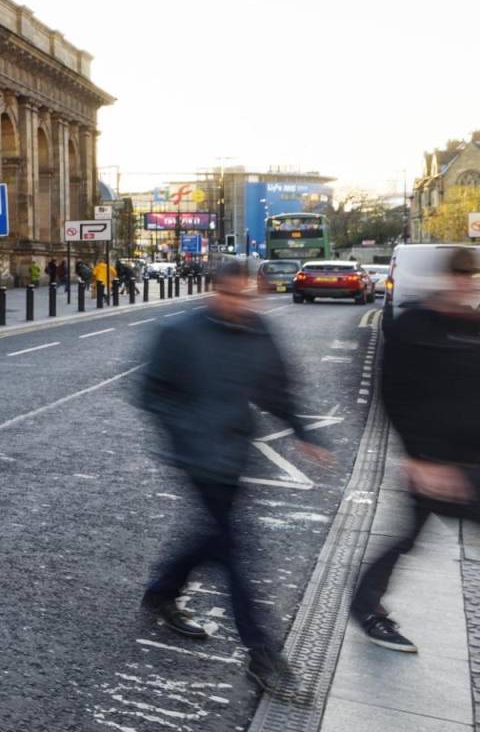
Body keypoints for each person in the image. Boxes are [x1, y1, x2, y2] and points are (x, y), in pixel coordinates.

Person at [136, 259, 330, 693]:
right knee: (235, 547)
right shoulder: (180, 334)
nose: (238, 304)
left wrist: (303, 431)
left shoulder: (259, 331)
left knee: (215, 537)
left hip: (235, 452)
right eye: (228, 294)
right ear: (212, 291)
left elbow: (276, 386)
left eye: (245, 296)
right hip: (195, 454)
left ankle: (164, 588)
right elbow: (152, 392)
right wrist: (189, 428)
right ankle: (261, 652)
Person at [349, 246, 480, 654]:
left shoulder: (475, 327)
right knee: (408, 538)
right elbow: (395, 393)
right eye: (460, 274)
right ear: (447, 277)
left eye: (471, 275)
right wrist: (418, 457)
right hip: (433, 460)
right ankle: (366, 608)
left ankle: (366, 606)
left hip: (472, 457)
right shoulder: (417, 326)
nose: (467, 281)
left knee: (410, 537)